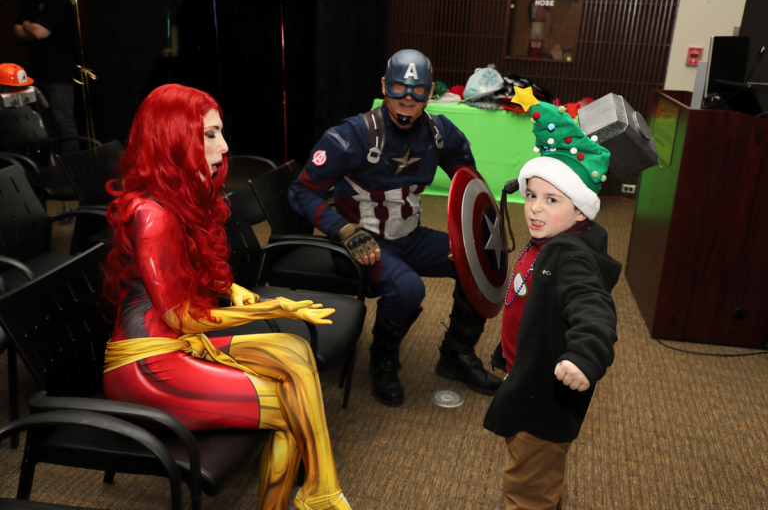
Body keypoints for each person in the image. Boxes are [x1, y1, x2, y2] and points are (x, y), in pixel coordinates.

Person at [101, 84, 351, 510]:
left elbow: (187, 277)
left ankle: (320, 491)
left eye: (219, 132)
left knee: (292, 350)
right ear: (173, 137)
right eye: (210, 134)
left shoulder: (177, 197)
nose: (225, 145)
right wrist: (275, 305)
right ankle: (320, 494)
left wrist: (232, 288)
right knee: (294, 415)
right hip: (145, 367)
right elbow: (182, 318)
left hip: (177, 347)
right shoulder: (154, 214)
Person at [288, 49, 502, 407]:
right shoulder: (351, 135)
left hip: (410, 236)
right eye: (399, 87)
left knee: (478, 264)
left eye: (417, 90)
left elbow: (470, 185)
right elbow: (301, 191)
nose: (407, 98)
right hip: (357, 242)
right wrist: (344, 231)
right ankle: (382, 361)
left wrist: (482, 238)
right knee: (407, 288)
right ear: (384, 86)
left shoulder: (440, 133)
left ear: (430, 91)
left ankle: (456, 355)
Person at [483, 89, 622, 510]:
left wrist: (586, 355)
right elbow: (530, 305)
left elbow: (593, 308)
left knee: (526, 488)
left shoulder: (569, 255)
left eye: (552, 200)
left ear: (581, 210)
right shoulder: (550, 241)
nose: (534, 210)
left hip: (543, 398)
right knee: (542, 479)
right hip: (527, 373)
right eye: (531, 195)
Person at [14, 0, 79, 153]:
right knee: (45, 122)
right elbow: (17, 31)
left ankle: (72, 164)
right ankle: (54, 163)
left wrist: (27, 25)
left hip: (60, 71)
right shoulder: (30, 1)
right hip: (38, 71)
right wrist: (31, 28)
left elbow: (39, 33)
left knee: (63, 120)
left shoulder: (59, 2)